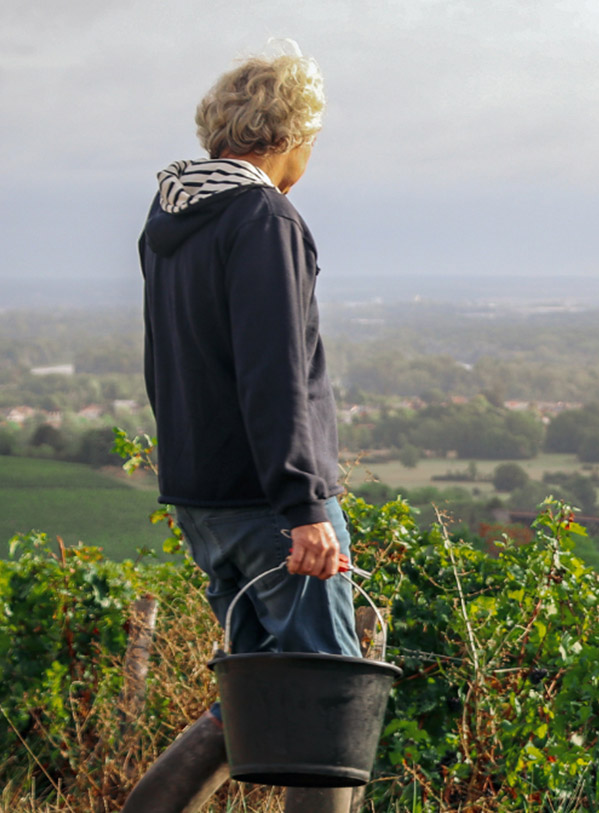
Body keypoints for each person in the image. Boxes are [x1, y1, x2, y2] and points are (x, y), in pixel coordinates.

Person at [123, 41, 360, 813]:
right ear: (290, 136)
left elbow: (171, 366)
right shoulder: (262, 217)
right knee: (329, 704)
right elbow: (275, 370)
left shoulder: (172, 218)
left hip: (201, 496)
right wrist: (304, 507)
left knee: (254, 691)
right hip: (270, 504)